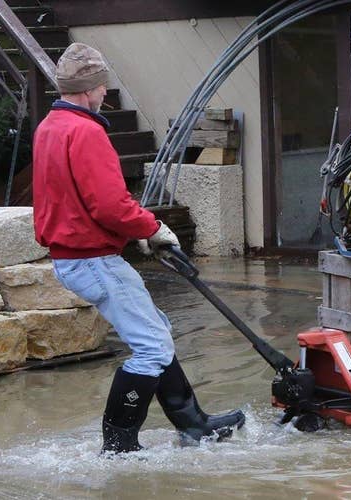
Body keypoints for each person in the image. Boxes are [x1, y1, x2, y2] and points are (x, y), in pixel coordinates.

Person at [32, 43, 245, 454]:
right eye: (102, 86)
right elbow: (110, 205)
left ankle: (194, 424)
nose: (105, 93)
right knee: (152, 347)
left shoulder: (49, 127)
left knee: (156, 330)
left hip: (75, 256)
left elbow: (83, 201)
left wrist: (138, 232)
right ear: (88, 89)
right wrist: (153, 227)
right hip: (92, 258)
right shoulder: (86, 131)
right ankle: (119, 446)